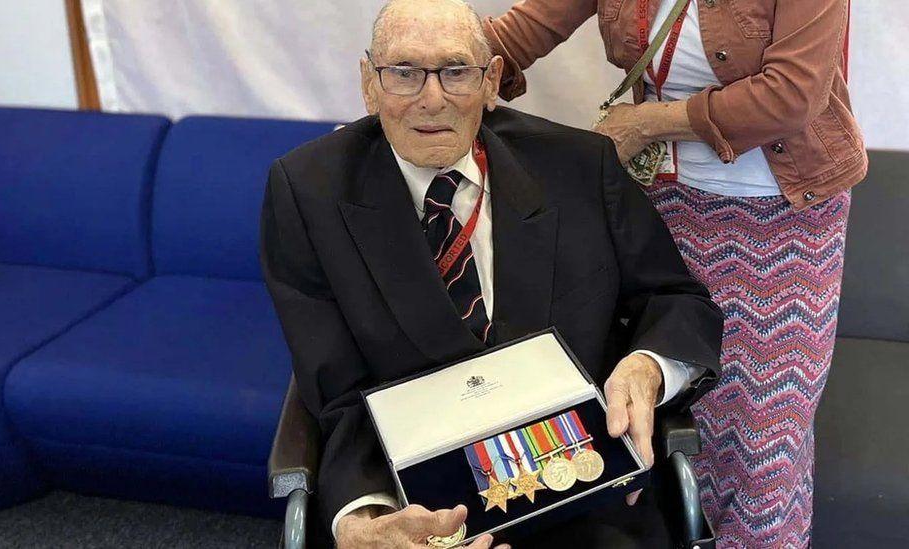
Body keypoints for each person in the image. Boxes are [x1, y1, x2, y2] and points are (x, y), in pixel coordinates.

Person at [260, 0, 722, 546]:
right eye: (403, 73)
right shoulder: (307, 191)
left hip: (579, 487)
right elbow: (335, 388)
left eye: (456, 71)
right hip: (419, 499)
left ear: (491, 80)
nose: (431, 98)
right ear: (369, 83)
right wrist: (366, 522)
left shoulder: (578, 166)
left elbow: (676, 298)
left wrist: (646, 368)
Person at [483, 0, 868, 546]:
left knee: (759, 443)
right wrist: (432, 66)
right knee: (670, 419)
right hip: (661, 206)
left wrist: (646, 122)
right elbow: (527, 27)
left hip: (781, 219)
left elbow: (793, 94)